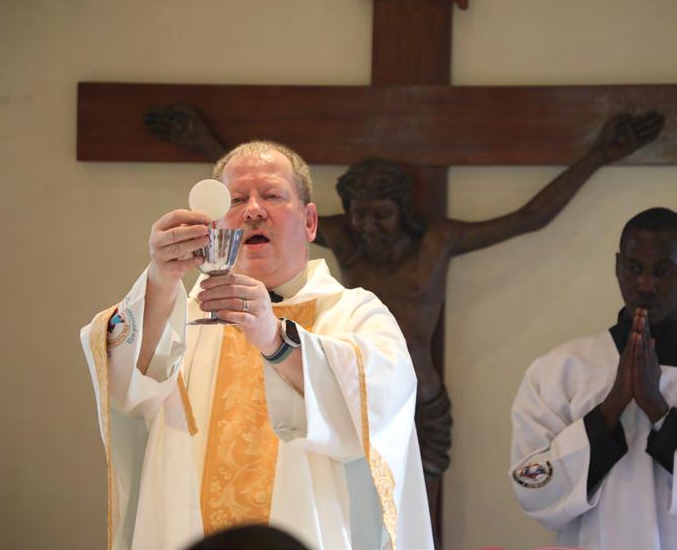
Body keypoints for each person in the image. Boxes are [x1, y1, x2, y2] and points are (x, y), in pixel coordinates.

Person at [80, 141, 433, 550]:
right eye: (235, 200)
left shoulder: (355, 313)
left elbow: (381, 406)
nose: (252, 211)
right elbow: (124, 389)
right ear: (212, 223)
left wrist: (276, 341)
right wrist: (160, 280)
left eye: (272, 195)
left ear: (310, 222)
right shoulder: (176, 314)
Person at [315, 111, 665, 508]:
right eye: (359, 214)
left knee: (418, 511)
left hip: (422, 400)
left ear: (403, 210)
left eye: (381, 214)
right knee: (351, 508)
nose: (369, 226)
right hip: (355, 393)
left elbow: (529, 218)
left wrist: (598, 155)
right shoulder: (343, 238)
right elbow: (271, 213)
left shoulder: (436, 242)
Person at [509, 207, 677, 549]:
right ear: (618, 267)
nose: (646, 285)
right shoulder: (559, 371)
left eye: (663, 270)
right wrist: (612, 406)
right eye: (634, 268)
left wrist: (657, 409)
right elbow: (533, 491)